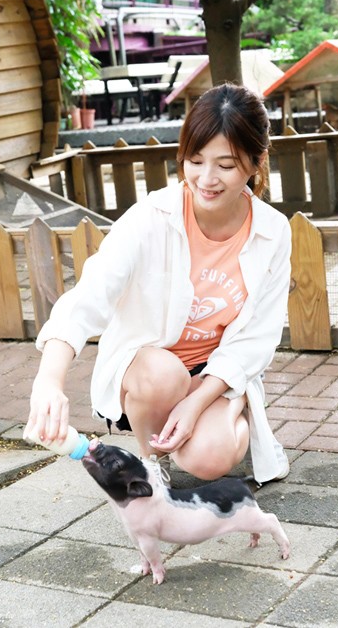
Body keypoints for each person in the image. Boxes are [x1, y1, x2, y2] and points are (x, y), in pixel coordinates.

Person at [26, 83, 291, 484]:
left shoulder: (273, 231)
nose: (206, 178)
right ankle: (152, 463)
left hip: (214, 373)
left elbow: (259, 335)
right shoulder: (152, 217)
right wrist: (49, 381)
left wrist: (202, 398)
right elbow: (90, 296)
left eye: (226, 164)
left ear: (255, 163)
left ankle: (236, 409)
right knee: (164, 374)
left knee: (210, 458)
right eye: (195, 160)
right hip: (152, 371)